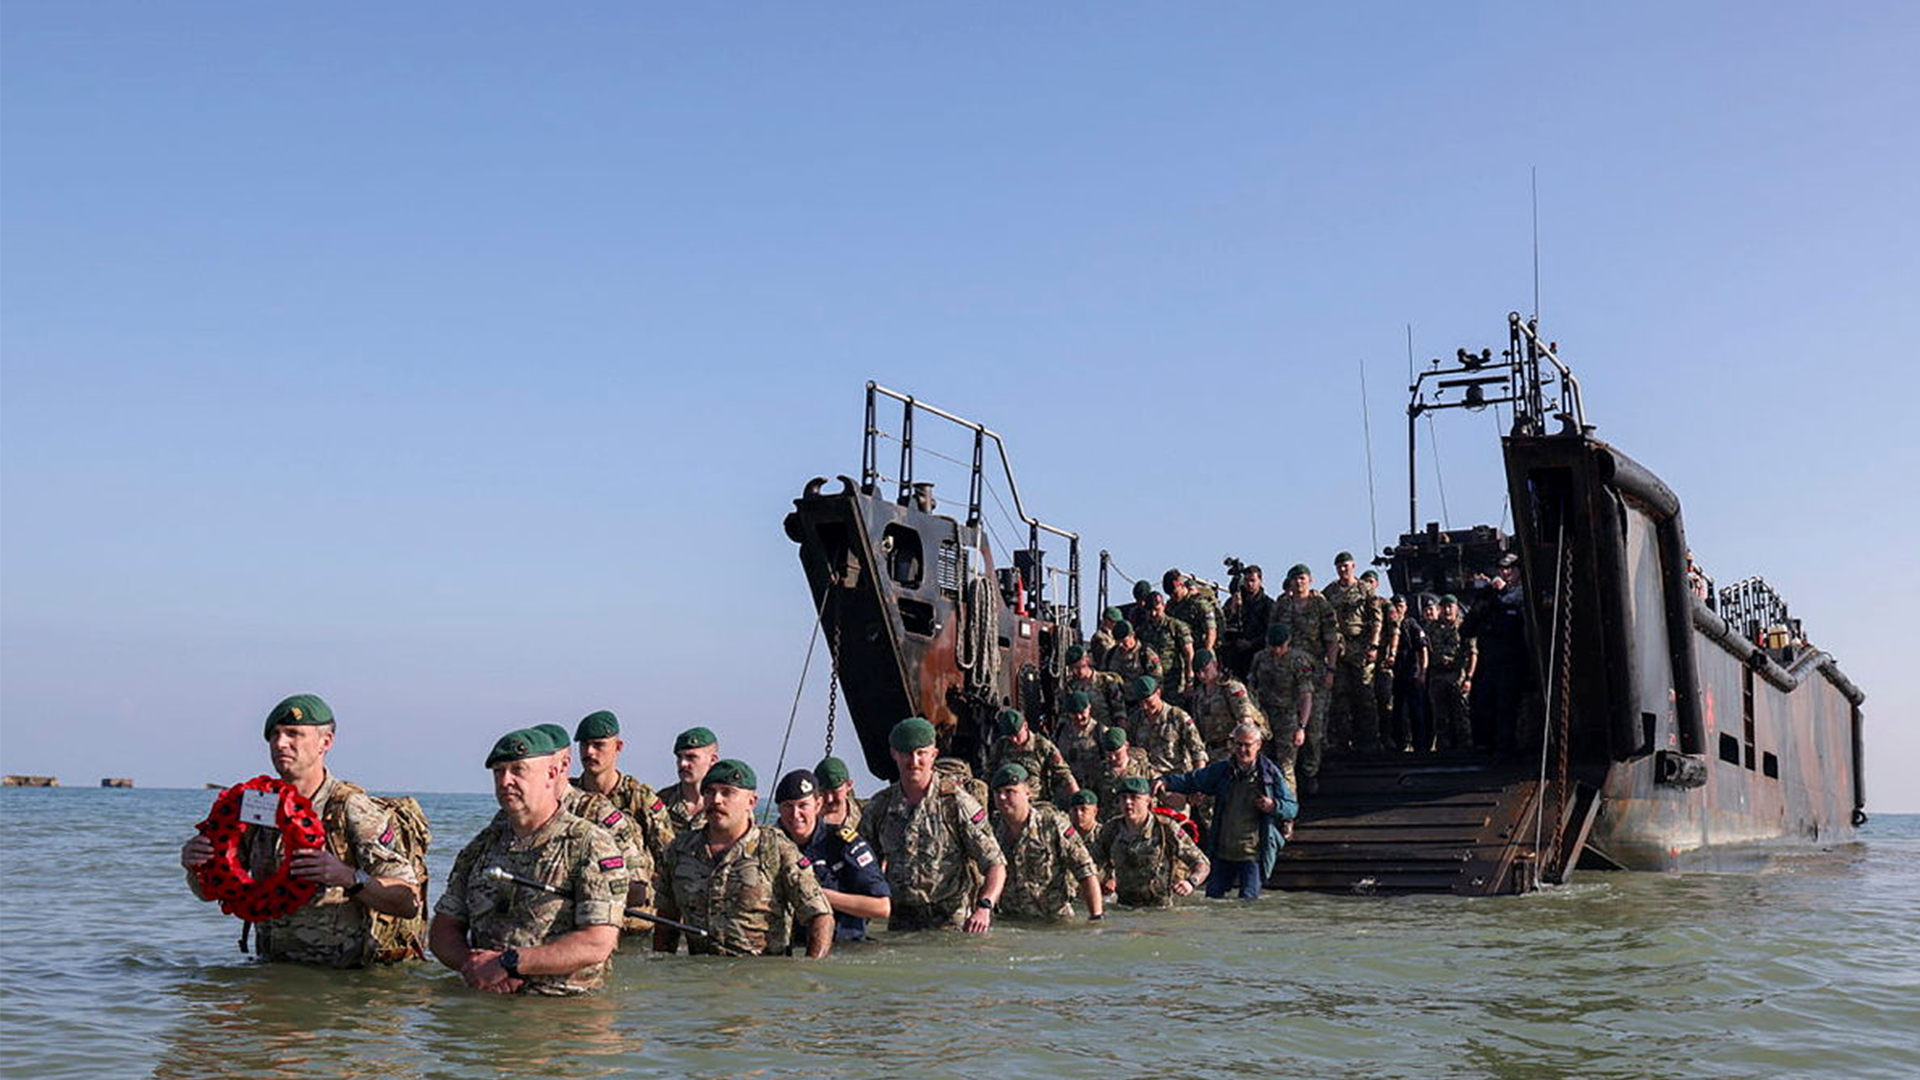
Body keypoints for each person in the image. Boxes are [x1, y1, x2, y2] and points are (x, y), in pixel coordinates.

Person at [179, 693, 420, 968]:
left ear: (325, 742)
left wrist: (348, 877)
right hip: (271, 972)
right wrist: (196, 866)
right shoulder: (257, 806)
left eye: (293, 734)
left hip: (340, 980)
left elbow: (407, 901)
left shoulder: (351, 809)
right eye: (274, 735)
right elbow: (209, 891)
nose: (280, 743)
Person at [430, 728, 624, 995]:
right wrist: (473, 966)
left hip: (565, 1009)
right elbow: (443, 929)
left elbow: (597, 943)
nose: (505, 781)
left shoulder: (589, 845)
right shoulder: (481, 847)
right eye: (499, 772)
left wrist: (508, 964)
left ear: (552, 774)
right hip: (487, 1004)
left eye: (518, 770)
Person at [656, 760, 833, 958]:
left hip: (761, 971)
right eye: (710, 792)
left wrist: (809, 971)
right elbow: (666, 921)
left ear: (751, 802)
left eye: (727, 792)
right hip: (700, 972)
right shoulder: (680, 850)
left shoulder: (775, 848)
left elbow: (820, 915)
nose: (716, 800)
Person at [857, 717, 1007, 932]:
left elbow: (995, 864)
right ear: (894, 754)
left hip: (952, 926)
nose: (914, 761)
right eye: (907, 753)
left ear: (934, 755)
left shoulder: (956, 803)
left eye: (921, 753)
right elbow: (861, 866)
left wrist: (984, 907)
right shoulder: (879, 807)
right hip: (901, 925)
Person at [1156, 722, 1298, 898]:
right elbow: (1193, 780)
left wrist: (1273, 806)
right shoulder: (1223, 770)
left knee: (1248, 904)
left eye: (1247, 745)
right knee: (1212, 900)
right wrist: (1166, 781)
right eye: (1238, 744)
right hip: (1223, 852)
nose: (1242, 750)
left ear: (1258, 745)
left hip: (1253, 854)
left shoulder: (1270, 774)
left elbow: (1292, 808)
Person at [774, 769, 890, 942]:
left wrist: (819, 895)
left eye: (803, 805)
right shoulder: (770, 847)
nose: (795, 814)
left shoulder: (843, 843)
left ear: (818, 805)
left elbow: (881, 907)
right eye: (788, 806)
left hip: (844, 947)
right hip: (791, 948)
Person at [572, 709, 675, 888]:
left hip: (630, 895)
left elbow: (668, 857)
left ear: (618, 747)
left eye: (598, 745)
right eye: (584, 745)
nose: (589, 752)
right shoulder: (569, 796)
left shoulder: (640, 798)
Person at [988, 765, 1104, 923]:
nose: (1002, 797)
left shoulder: (1052, 824)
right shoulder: (993, 829)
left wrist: (1096, 918)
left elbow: (1085, 870)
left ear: (1027, 792)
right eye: (997, 792)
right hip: (1011, 921)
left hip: (1054, 922)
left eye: (1010, 791)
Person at [1091, 777, 1209, 909]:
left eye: (1134, 797)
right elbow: (1091, 862)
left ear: (1148, 801)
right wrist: (1105, 879)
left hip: (1159, 910)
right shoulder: (1111, 829)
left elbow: (1202, 863)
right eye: (1123, 798)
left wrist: (1191, 882)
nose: (1128, 802)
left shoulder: (1166, 828)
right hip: (1124, 908)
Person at [1272, 563, 1338, 792]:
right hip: (1286, 673)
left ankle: (1311, 771)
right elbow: (1272, 636)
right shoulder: (1282, 605)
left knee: (1314, 725)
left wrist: (1331, 670)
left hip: (1314, 672)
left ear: (1310, 580)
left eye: (1302, 578)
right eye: (1295, 579)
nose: (1299, 583)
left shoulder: (1321, 605)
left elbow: (1332, 639)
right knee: (1287, 726)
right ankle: (1291, 774)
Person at [1322, 552, 1384, 755]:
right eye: (1339, 566)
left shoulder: (1364, 589)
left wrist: (1374, 645)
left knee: (1365, 695)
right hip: (1339, 649)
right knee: (1340, 696)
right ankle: (1341, 742)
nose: (1342, 570)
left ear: (1353, 566)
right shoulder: (1330, 591)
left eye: (1346, 566)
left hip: (1361, 647)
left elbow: (1376, 619)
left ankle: (1369, 741)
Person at [1246, 623, 1314, 795]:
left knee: (1286, 767)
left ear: (1288, 642)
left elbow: (1306, 695)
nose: (1276, 650)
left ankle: (1287, 806)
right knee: (1260, 764)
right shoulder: (1260, 658)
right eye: (1273, 646)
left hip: (1287, 719)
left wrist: (1301, 727)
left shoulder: (1298, 661)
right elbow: (1250, 688)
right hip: (1264, 718)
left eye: (1280, 646)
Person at [1187, 648, 1269, 762]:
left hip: (1232, 750)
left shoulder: (1230, 687)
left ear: (1215, 665)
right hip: (1212, 752)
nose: (1202, 675)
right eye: (1198, 673)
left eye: (1205, 670)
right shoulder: (1199, 694)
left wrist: (1243, 749)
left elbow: (1246, 720)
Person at [984, 708, 1079, 804]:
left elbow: (1064, 774)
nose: (1014, 740)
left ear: (1025, 726)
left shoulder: (1042, 746)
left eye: (1017, 735)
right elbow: (989, 774)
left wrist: (1078, 799)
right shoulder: (1000, 747)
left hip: (1036, 803)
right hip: (1008, 803)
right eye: (1010, 736)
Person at [1122, 675, 1207, 782]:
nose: (1144, 707)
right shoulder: (1135, 720)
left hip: (1175, 779)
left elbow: (1198, 751)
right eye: (1141, 703)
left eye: (1148, 701)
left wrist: (1198, 781)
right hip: (1148, 781)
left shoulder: (1177, 716)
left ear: (1158, 693)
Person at [1427, 595, 1477, 750]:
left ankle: (1464, 748)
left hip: (1457, 675)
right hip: (1438, 675)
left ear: (1456, 608)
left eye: (1450, 607)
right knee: (1440, 715)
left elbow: (1473, 653)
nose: (1447, 610)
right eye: (1444, 607)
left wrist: (1469, 678)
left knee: (1461, 714)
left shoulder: (1464, 627)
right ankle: (1444, 749)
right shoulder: (1432, 628)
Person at [1136, 592, 1196, 701]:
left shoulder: (1176, 627)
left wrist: (1189, 680)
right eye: (1149, 611)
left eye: (1156, 609)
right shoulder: (1142, 630)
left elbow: (1189, 654)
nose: (1153, 614)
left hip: (1174, 683)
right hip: (1152, 683)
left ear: (1164, 606)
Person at [1391, 597, 1432, 753]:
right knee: (1397, 711)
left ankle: (1420, 745)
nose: (1397, 609)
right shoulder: (1389, 625)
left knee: (1416, 710)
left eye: (1400, 606)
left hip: (1411, 672)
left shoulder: (1411, 625)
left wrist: (1422, 672)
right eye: (1395, 606)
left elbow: (1423, 649)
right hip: (1396, 674)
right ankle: (1400, 744)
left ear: (1406, 608)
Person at [1050, 689, 1109, 793]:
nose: (1079, 717)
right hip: (1067, 791)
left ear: (1089, 708)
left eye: (1082, 712)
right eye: (1074, 714)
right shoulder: (1061, 731)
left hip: (1094, 790)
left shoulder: (1100, 731)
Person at [663, 726, 720, 833]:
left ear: (712, 760)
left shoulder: (722, 804)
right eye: (679, 757)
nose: (683, 764)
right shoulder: (661, 803)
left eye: (691, 757)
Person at [1222, 563, 1274, 679]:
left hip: (1257, 652)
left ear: (1260, 581)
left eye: (1252, 580)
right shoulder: (1235, 600)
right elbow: (1224, 623)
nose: (1249, 584)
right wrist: (1233, 609)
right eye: (1246, 580)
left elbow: (1270, 631)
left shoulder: (1267, 604)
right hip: (1235, 655)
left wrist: (1251, 643)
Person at [1091, 726, 1153, 820]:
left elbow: (1153, 795)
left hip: (1138, 820)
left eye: (1117, 753)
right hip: (1109, 822)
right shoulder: (1099, 771)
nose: (1113, 758)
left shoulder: (1142, 767)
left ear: (1126, 745)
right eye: (1109, 754)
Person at [1062, 643, 1127, 728]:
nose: (1076, 671)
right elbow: (1065, 715)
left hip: (1105, 729)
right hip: (1081, 732)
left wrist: (1120, 729)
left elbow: (1119, 710)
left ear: (1087, 661)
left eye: (1079, 666)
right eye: (1072, 668)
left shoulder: (1105, 681)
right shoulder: (1070, 688)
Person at [1164, 568, 1218, 653]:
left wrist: (1205, 654)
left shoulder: (1199, 604)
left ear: (1181, 585)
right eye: (1170, 595)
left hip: (1201, 651)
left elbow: (1211, 631)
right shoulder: (1171, 607)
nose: (1173, 597)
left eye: (1175, 593)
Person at [1099, 620, 1163, 685]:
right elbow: (1102, 677)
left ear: (1132, 635)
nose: (1120, 645)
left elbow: (1157, 679)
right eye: (1118, 642)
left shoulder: (1145, 654)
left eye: (1124, 641)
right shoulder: (1110, 654)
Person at [814, 755, 864, 832]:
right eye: (822, 792)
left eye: (835, 792)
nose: (829, 799)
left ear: (849, 785)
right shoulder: (804, 818)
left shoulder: (868, 812)